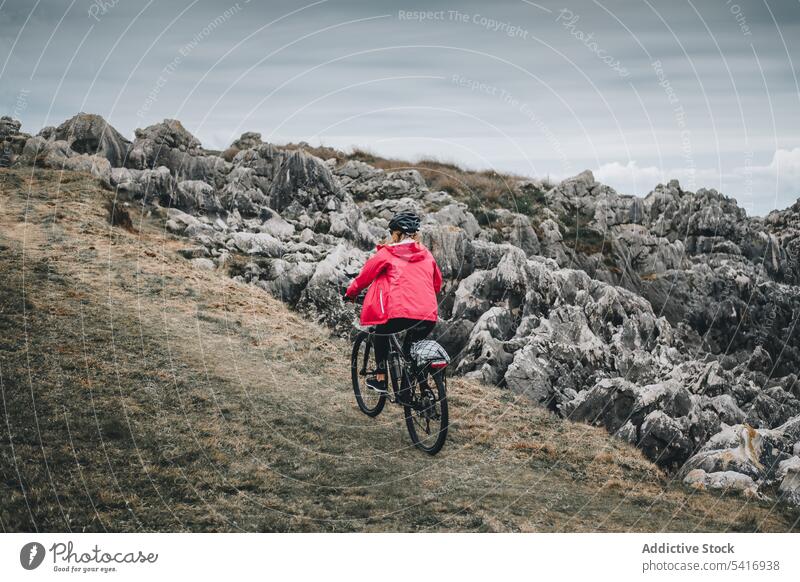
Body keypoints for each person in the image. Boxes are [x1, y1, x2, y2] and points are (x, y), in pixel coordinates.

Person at [344, 211, 442, 395]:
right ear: (415, 234)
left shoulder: (388, 253)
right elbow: (437, 283)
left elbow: (365, 277)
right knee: (410, 352)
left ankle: (381, 378)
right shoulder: (427, 255)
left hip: (400, 313)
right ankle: (414, 390)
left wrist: (351, 294)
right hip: (428, 314)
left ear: (395, 234)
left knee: (381, 332)